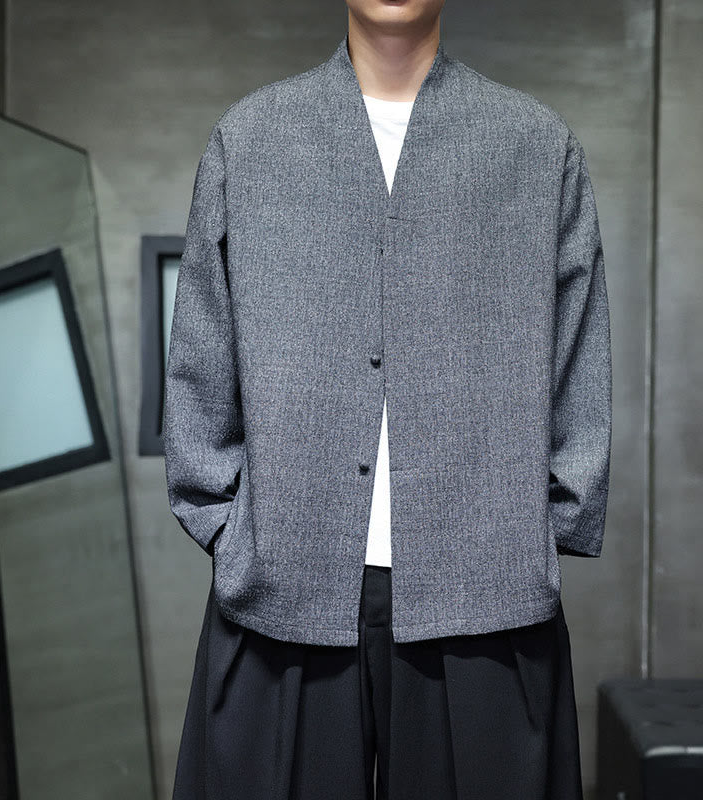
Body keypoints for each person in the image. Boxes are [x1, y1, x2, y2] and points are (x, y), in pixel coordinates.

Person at [165, 1, 612, 798]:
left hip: (486, 592)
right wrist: (231, 530)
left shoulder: (536, 146)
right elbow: (200, 358)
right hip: (281, 589)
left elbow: (579, 357)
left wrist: (537, 529)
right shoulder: (254, 138)